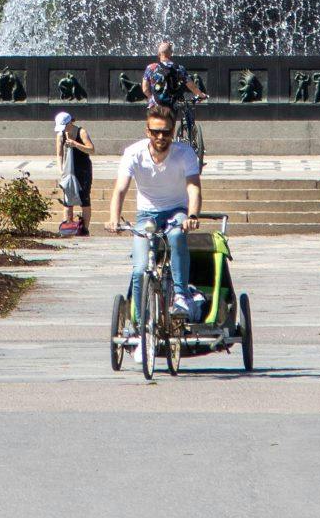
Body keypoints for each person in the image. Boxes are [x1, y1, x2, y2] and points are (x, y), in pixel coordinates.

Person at [107, 101, 204, 319]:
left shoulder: (184, 153)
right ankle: (139, 325)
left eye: (166, 132)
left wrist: (193, 215)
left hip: (175, 210)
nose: (161, 137)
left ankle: (181, 295)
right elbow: (120, 189)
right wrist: (114, 219)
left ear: (173, 131)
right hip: (147, 215)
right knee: (140, 269)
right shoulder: (134, 153)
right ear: (147, 130)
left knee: (178, 235)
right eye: (155, 132)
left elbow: (194, 188)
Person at [141, 39, 205, 157]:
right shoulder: (178, 68)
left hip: (155, 105)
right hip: (171, 105)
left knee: (153, 128)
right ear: (170, 53)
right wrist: (201, 95)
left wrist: (152, 98)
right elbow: (190, 85)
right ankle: (169, 154)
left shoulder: (151, 68)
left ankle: (151, 153)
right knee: (169, 129)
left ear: (159, 53)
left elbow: (145, 89)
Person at [52, 110, 96, 237]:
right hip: (68, 170)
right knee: (68, 199)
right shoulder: (61, 135)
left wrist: (75, 144)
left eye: (64, 126)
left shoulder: (81, 132)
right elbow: (59, 154)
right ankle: (68, 226)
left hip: (83, 169)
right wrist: (61, 170)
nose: (64, 129)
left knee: (84, 198)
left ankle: (85, 228)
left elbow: (91, 149)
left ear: (70, 122)